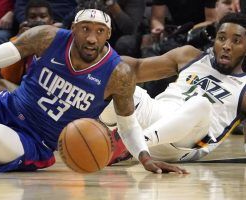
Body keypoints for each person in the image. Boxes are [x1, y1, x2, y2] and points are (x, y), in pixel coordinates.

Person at [0, 8, 186, 174]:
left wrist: (145, 158)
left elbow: (128, 125)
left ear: (108, 35)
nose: (92, 38)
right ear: (74, 28)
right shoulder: (46, 37)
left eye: (99, 31)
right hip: (3, 107)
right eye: (85, 29)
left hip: (32, 141)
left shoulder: (118, 74)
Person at [101, 12, 246, 164]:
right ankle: (102, 132)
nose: (226, 46)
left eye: (236, 41)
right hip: (156, 115)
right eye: (221, 38)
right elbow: (137, 67)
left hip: (189, 143)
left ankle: (135, 144)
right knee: (119, 77)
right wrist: (105, 65)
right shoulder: (190, 56)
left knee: (201, 103)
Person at [0, 0, 55, 93]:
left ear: (51, 21)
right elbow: (9, 77)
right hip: (24, 91)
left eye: (43, 16)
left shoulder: (61, 41)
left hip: (47, 94)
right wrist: (19, 42)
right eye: (33, 17)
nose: (38, 20)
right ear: (26, 21)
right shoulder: (20, 39)